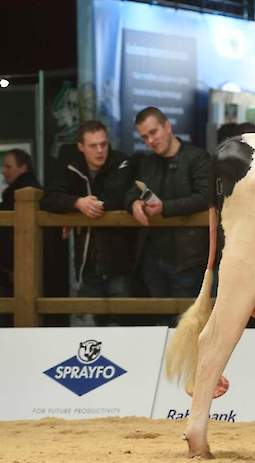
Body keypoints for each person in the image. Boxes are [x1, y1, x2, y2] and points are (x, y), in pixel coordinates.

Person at [41, 120, 135, 326]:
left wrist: (86, 205)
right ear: (81, 147)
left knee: (124, 325)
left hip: (120, 259)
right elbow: (48, 198)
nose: (100, 150)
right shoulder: (70, 165)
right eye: (93, 146)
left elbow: (120, 196)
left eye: (104, 144)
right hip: (87, 263)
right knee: (92, 329)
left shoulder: (122, 162)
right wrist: (76, 202)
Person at [125, 107, 211, 315]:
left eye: (153, 133)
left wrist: (165, 208)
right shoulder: (148, 162)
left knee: (186, 324)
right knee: (159, 323)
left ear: (167, 127)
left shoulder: (197, 157)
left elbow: (205, 197)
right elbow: (131, 190)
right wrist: (133, 204)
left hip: (188, 259)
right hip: (153, 258)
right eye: (144, 137)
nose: (150, 141)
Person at [0, 149, 41, 298]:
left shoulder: (13, 194)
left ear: (23, 167)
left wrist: (9, 266)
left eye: (8, 167)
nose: (4, 171)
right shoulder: (40, 190)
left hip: (17, 266)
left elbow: (7, 235)